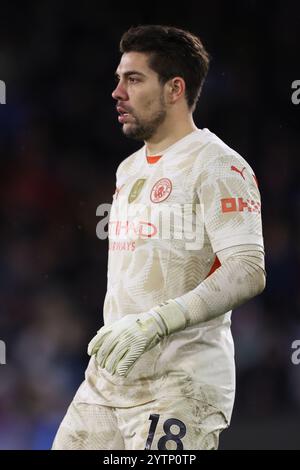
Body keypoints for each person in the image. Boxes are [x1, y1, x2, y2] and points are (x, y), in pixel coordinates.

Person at [52, 24, 266, 450]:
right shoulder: (128, 169)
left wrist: (155, 324)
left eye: (133, 79)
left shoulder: (220, 165)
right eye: (118, 79)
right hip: (108, 383)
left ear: (174, 89)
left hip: (180, 387)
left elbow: (247, 270)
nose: (117, 92)